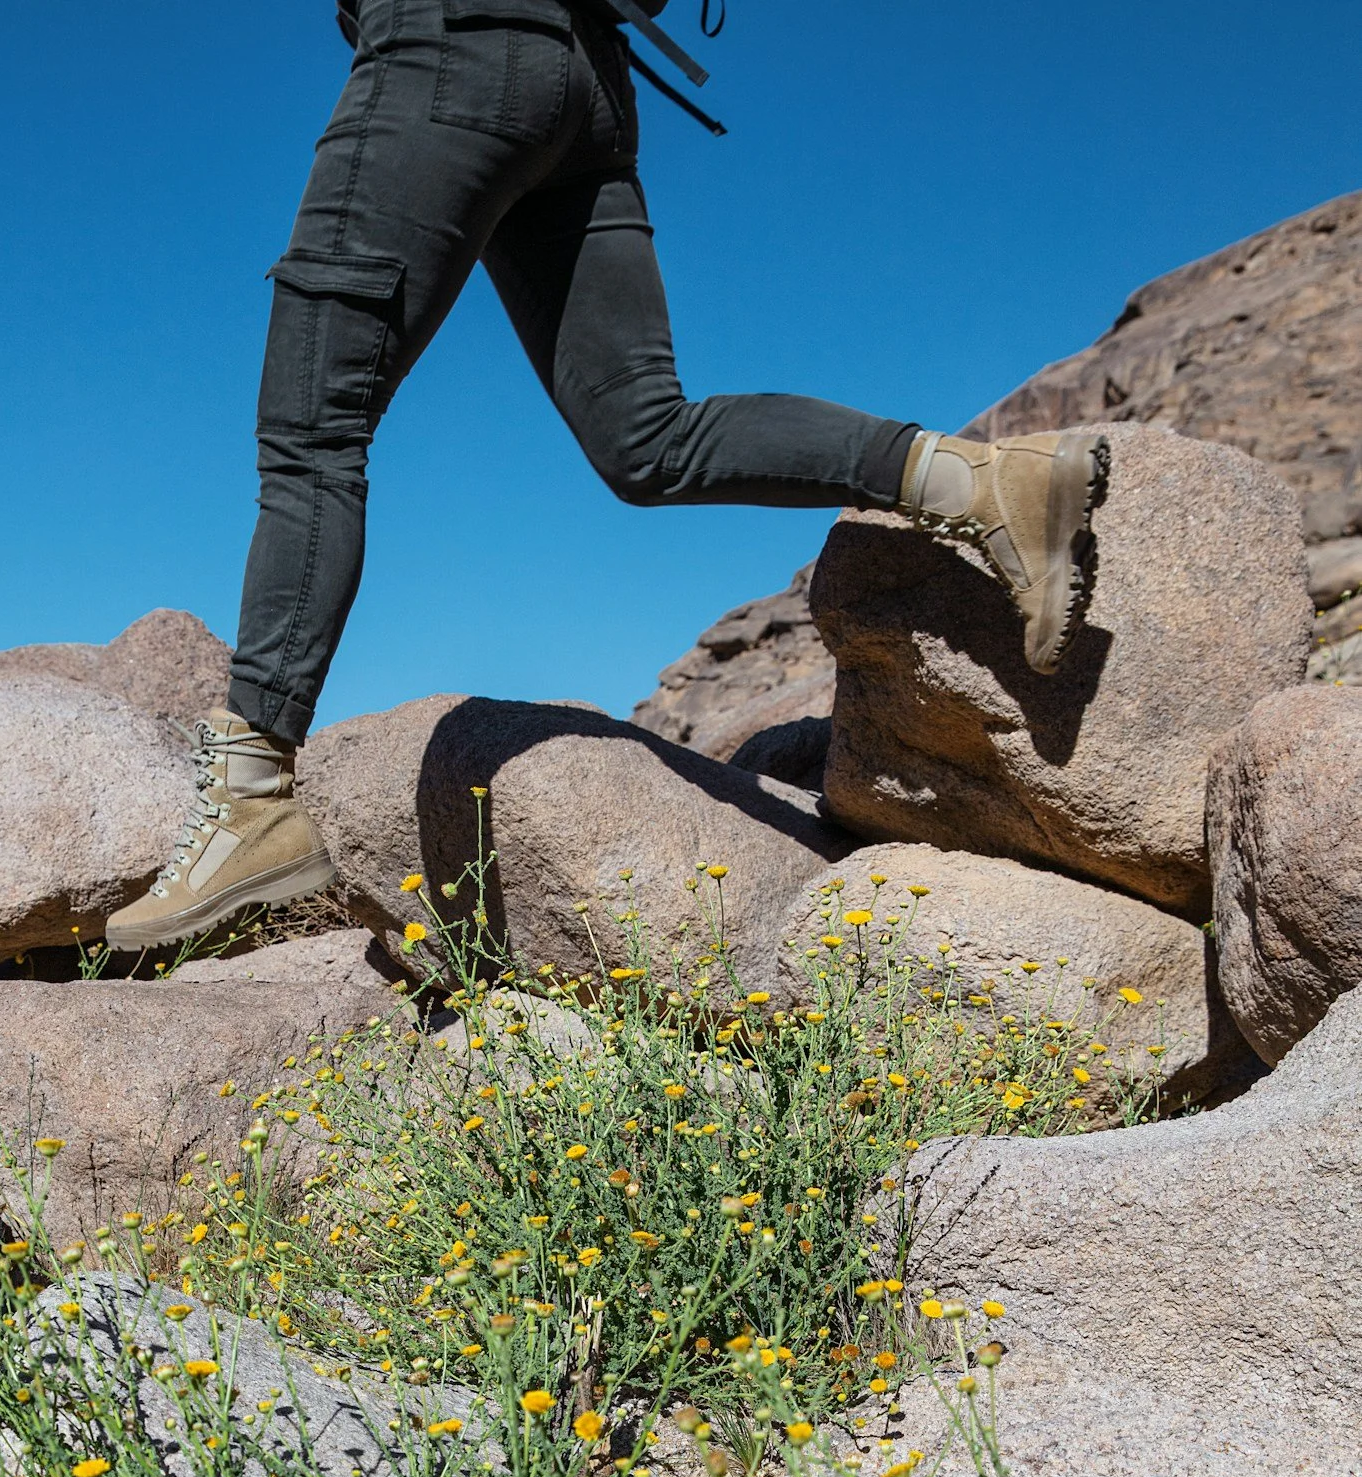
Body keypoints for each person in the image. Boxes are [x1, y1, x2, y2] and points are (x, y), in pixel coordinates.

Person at [106, 0, 1108, 951]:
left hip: (441, 54)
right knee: (646, 436)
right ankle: (980, 484)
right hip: (583, 89)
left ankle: (249, 790)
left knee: (311, 434)